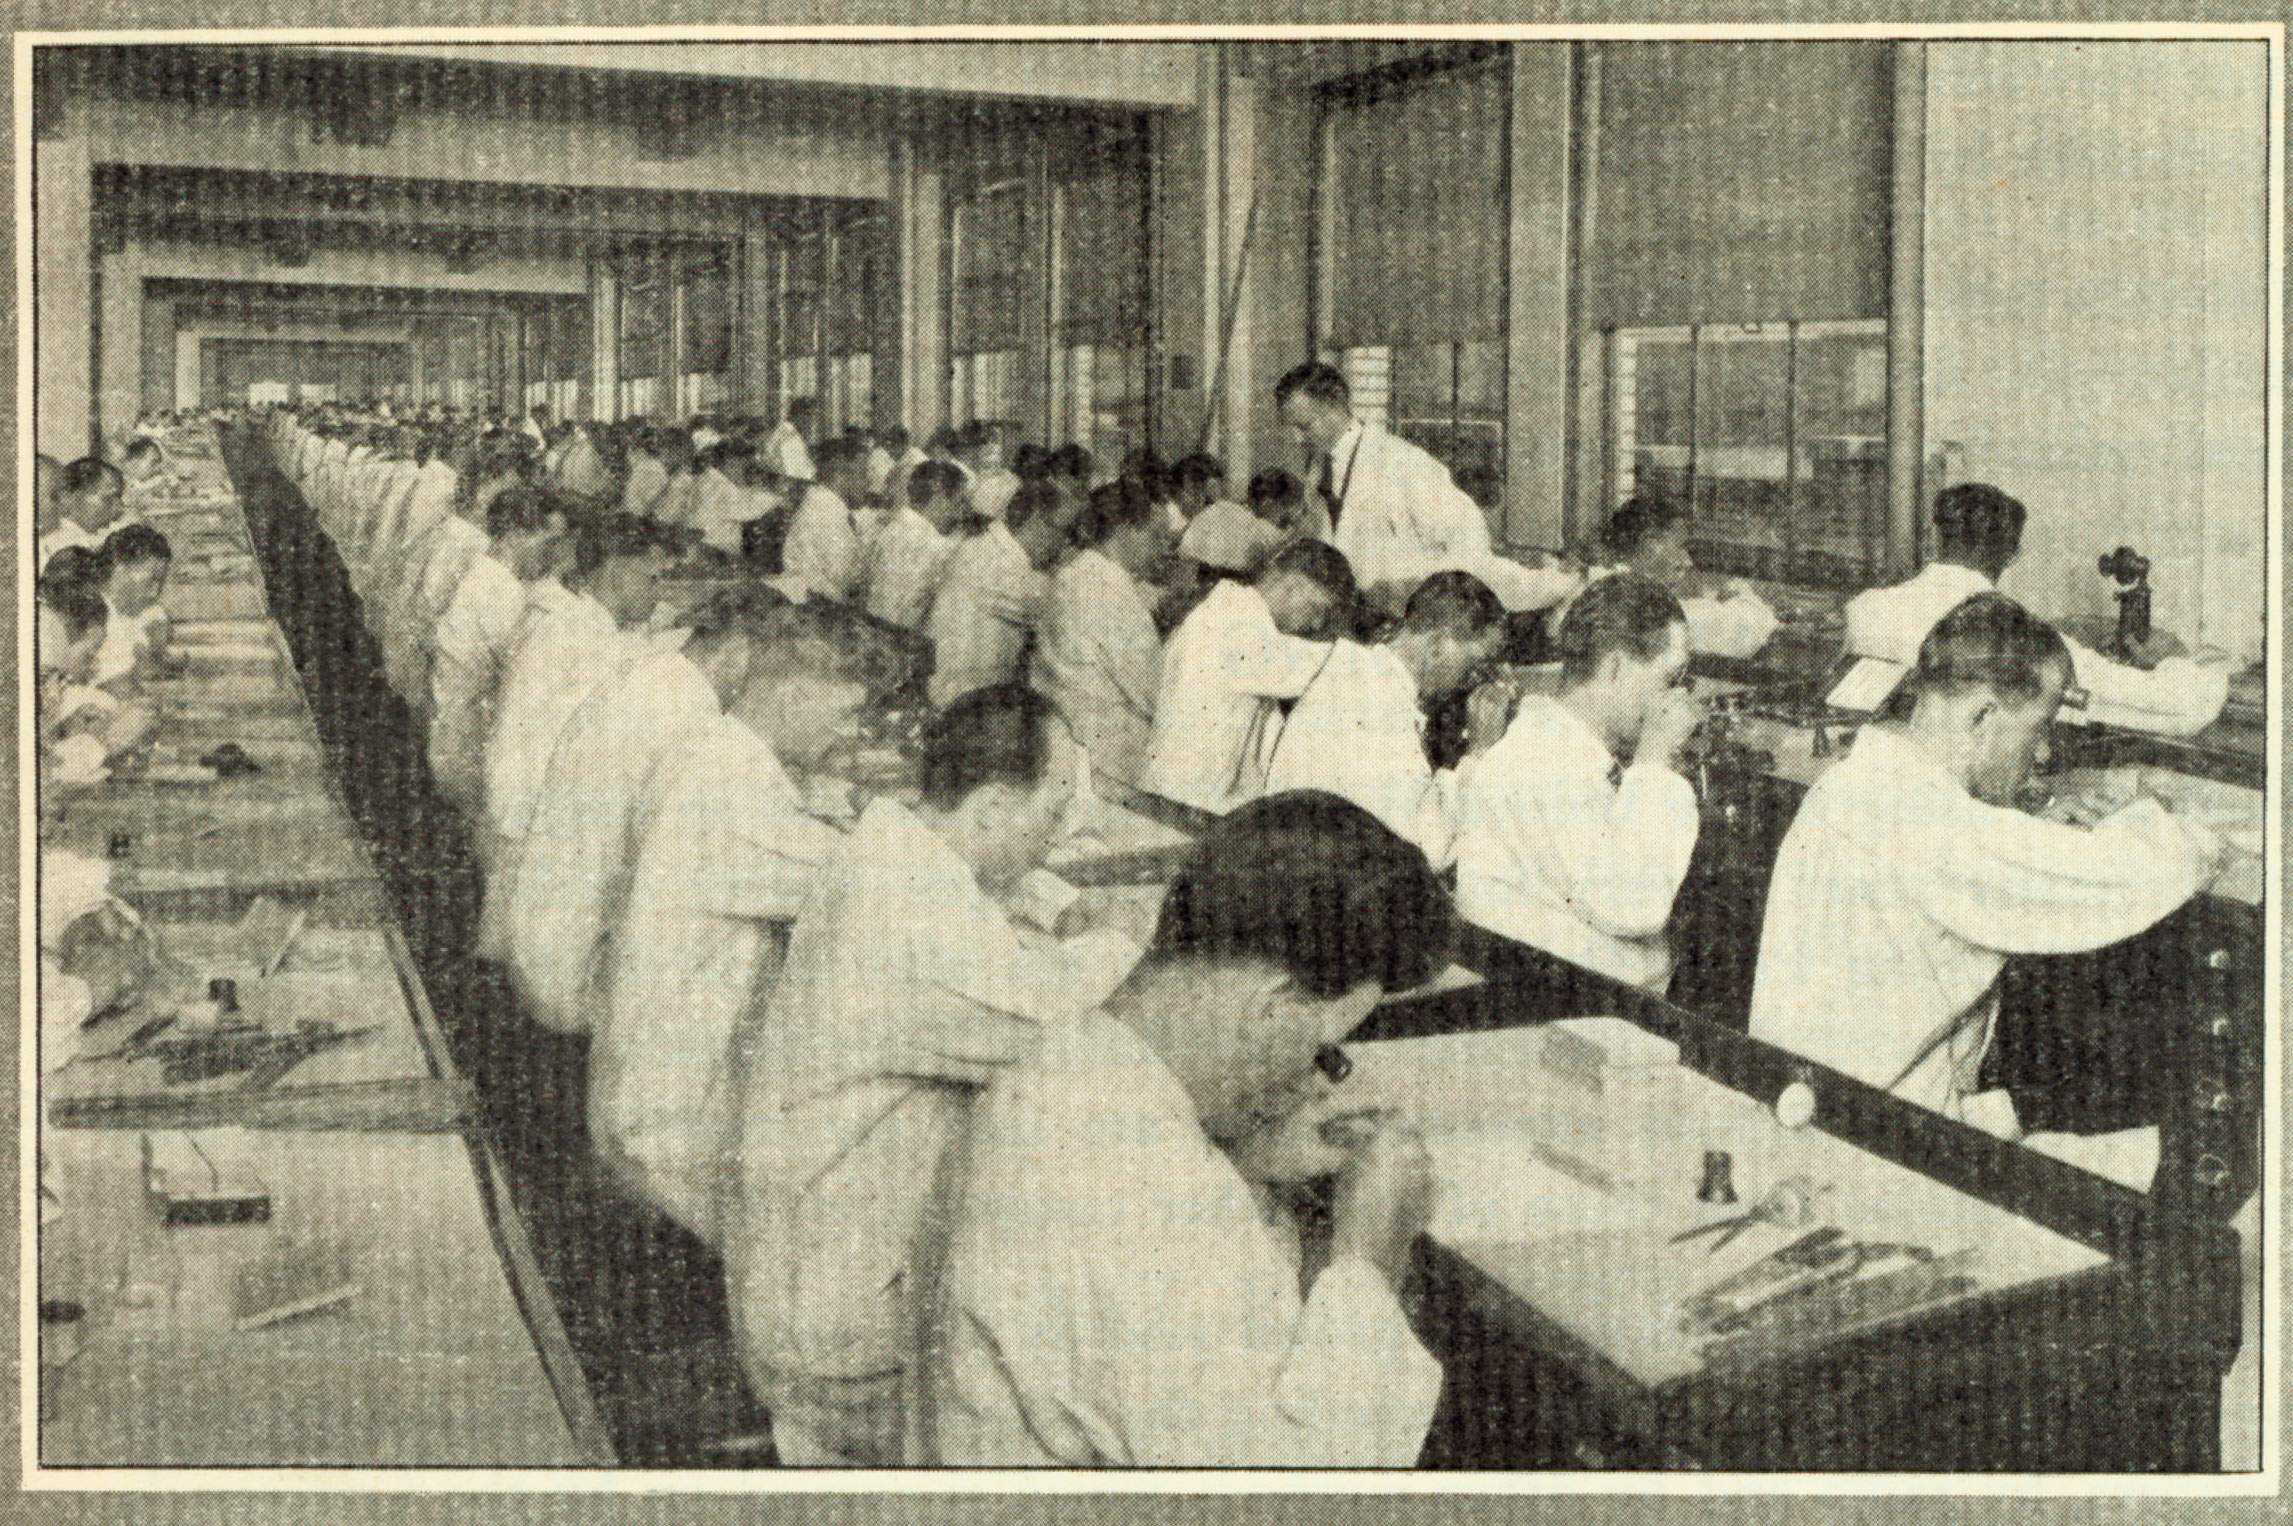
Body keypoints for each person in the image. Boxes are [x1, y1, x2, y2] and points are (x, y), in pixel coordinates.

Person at [932, 790, 1449, 1467]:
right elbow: (1302, 1489)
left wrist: (1240, 1161)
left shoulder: (1072, 1059)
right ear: (1271, 1007)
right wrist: (1370, 1260)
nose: (1314, 1079)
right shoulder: (1146, 1196)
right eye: (1321, 1049)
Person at [723, 684, 1143, 1466]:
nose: (1058, 838)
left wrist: (1056, 907)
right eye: (1052, 816)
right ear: (990, 807)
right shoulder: (913, 920)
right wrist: (1120, 941)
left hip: (814, 1273)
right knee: (1107, 1396)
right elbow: (1065, 1023)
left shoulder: (896, 849)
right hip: (840, 1338)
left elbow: (995, 880)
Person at [1750, 594, 2223, 1134]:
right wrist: (2161, 816)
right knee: (2139, 1146)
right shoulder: (1946, 831)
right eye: (2040, 728)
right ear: (1982, 716)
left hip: (1800, 1109)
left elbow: (1958, 848)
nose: (2042, 754)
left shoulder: (1850, 782)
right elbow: (2151, 873)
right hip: (1884, 1138)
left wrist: (2031, 825)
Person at [591, 601, 886, 1244]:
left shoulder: (717, 753)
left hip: (660, 1085)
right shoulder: (729, 788)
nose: (853, 736)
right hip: (670, 1127)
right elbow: (882, 884)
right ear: (793, 693)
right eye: (848, 714)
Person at [507, 588, 778, 1037]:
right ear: (739, 648)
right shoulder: (688, 714)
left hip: (543, 928)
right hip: (573, 965)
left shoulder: (653, 676)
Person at [1455, 574, 1706, 992]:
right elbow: (1635, 906)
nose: (1676, 700)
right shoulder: (1544, 764)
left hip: (1586, 990)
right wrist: (1655, 766)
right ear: (1615, 667)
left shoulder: (1558, 747)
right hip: (1574, 1004)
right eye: (1670, 679)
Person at [1842, 483, 2228, 735]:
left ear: (1932, 538)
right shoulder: (2018, 638)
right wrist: (2176, 660)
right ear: (2013, 555)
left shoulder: (1865, 609)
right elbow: (2181, 711)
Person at [478, 512, 678, 960]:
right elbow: (528, 752)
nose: (660, 592)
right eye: (652, 578)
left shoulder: (581, 624)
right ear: (616, 572)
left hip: (534, 833)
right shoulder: (572, 635)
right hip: (533, 838)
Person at [1273, 362, 1576, 614]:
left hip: (1406, 614)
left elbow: (1470, 544)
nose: (1297, 440)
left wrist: (1409, 585)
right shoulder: (1318, 470)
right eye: (1292, 429)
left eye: (1304, 426)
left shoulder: (1402, 462)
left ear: (1336, 408)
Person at [1265, 570, 1510, 870]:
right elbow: (1424, 852)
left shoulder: (1359, 674)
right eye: (1476, 664)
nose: (1475, 680)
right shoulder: (1379, 707)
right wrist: (1479, 752)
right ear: (1436, 645)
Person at [1141, 539, 1355, 815]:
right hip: (1175, 805)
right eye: (1317, 609)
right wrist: (1380, 659)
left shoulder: (1247, 621)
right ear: (1292, 586)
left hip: (1188, 801)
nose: (1316, 624)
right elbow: (1313, 665)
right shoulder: (1232, 619)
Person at [424, 485, 568, 812]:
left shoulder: (486, 573)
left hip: (452, 736)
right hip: (465, 755)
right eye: (549, 543)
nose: (554, 556)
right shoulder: (501, 593)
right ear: (515, 536)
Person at [1030, 480, 1170, 787]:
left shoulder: (1071, 573)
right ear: (1124, 530)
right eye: (1155, 536)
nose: (1161, 550)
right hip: (1110, 756)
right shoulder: (1112, 589)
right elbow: (1154, 692)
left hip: (1062, 738)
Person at [1551, 495, 1778, 660]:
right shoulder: (1641, 605)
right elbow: (1751, 626)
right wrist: (1740, 593)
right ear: (1651, 545)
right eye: (1681, 546)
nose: (1687, 561)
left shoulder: (1589, 585)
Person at [924, 480, 1064, 708]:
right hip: (958, 702)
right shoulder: (998, 561)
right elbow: (1055, 609)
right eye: (1065, 532)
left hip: (966, 693)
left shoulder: (987, 546)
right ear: (1038, 522)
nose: (1065, 544)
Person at [864, 461, 964, 633]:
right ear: (939, 495)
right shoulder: (930, 545)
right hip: (895, 636)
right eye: (958, 502)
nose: (958, 514)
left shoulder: (893, 527)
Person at [781, 436, 875, 603]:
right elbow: (848, 580)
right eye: (863, 474)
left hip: (814, 600)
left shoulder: (823, 502)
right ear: (839, 476)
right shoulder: (827, 514)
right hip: (817, 606)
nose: (869, 483)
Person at [90, 524, 175, 688]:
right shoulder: (86, 615)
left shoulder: (143, 618)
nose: (155, 592)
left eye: (161, 582)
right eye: (151, 581)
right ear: (120, 568)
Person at [1170, 452, 1281, 577]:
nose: (1178, 505)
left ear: (1193, 490)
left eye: (1177, 495)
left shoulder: (1195, 530)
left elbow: (1184, 571)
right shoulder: (1249, 518)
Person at [42, 459, 126, 572]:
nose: (119, 508)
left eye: (119, 498)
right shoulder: (59, 546)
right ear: (70, 496)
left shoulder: (99, 538)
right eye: (108, 499)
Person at [767, 398, 818, 484]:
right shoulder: (790, 437)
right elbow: (795, 474)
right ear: (797, 415)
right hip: (791, 486)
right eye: (808, 414)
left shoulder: (785, 431)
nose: (811, 421)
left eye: (814, 416)